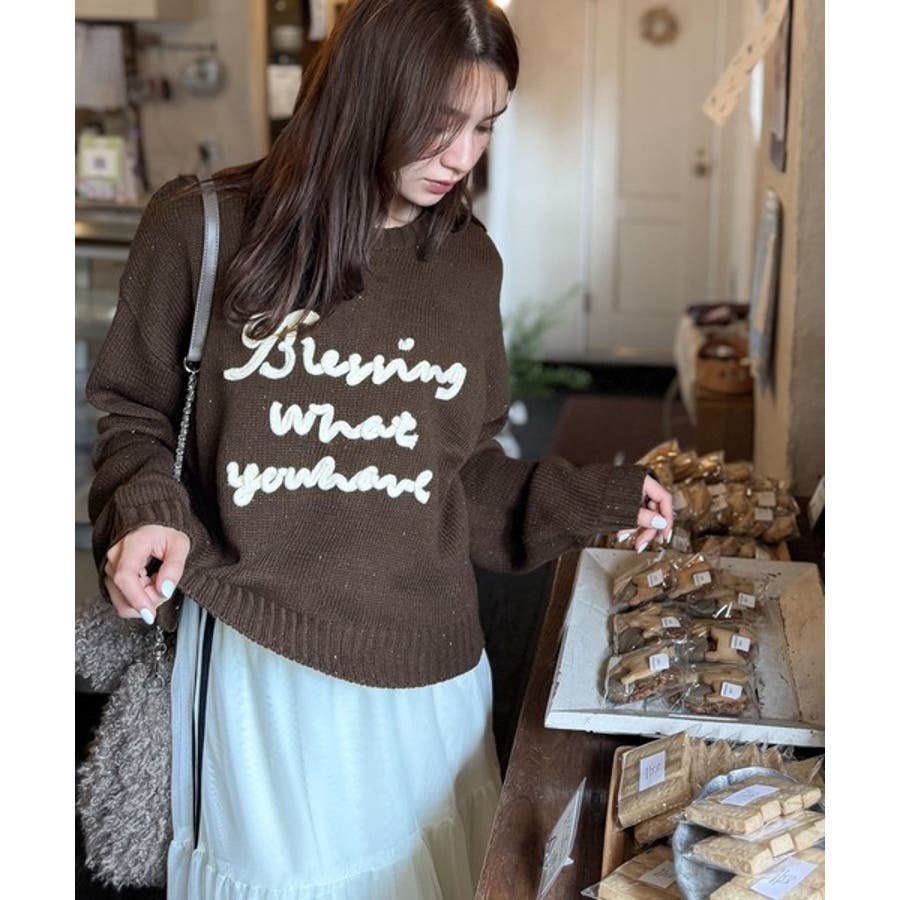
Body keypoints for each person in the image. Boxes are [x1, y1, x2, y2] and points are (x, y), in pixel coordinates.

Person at [87, 1, 673, 897]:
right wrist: (145, 510)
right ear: (365, 95)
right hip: (263, 667)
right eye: (439, 122)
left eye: (485, 125)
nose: (462, 155)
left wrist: (593, 501)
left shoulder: (467, 265)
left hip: (429, 671)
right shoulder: (203, 230)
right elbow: (133, 414)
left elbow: (455, 475)